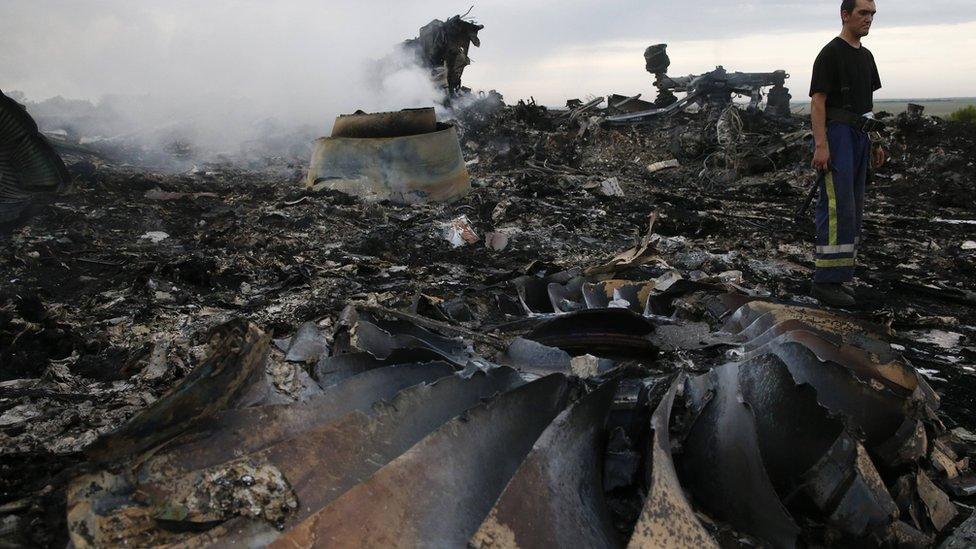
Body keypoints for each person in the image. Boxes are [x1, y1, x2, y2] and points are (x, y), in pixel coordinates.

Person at [809, 0, 887, 308]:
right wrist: (821, 145)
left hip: (859, 136)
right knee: (835, 205)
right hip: (837, 135)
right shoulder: (830, 53)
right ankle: (825, 283)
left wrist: (876, 140)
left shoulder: (866, 57)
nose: (869, 19)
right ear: (845, 15)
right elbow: (818, 103)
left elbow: (866, 107)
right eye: (863, 13)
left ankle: (841, 276)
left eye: (872, 14)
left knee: (853, 206)